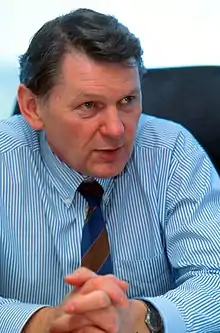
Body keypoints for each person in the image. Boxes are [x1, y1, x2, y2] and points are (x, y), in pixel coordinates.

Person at [0, 8, 219, 333]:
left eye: (128, 100)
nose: (117, 129)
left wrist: (141, 319)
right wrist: (46, 323)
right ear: (33, 107)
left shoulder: (173, 153)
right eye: (89, 106)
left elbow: (212, 278)